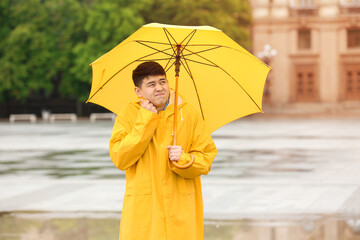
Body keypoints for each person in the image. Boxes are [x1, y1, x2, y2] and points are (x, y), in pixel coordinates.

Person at [109, 61, 217, 240]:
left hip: (180, 209)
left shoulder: (188, 114)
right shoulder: (128, 115)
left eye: (162, 81)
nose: (159, 88)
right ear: (138, 91)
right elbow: (120, 158)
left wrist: (182, 159)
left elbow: (206, 159)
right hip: (145, 211)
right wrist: (145, 120)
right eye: (151, 84)